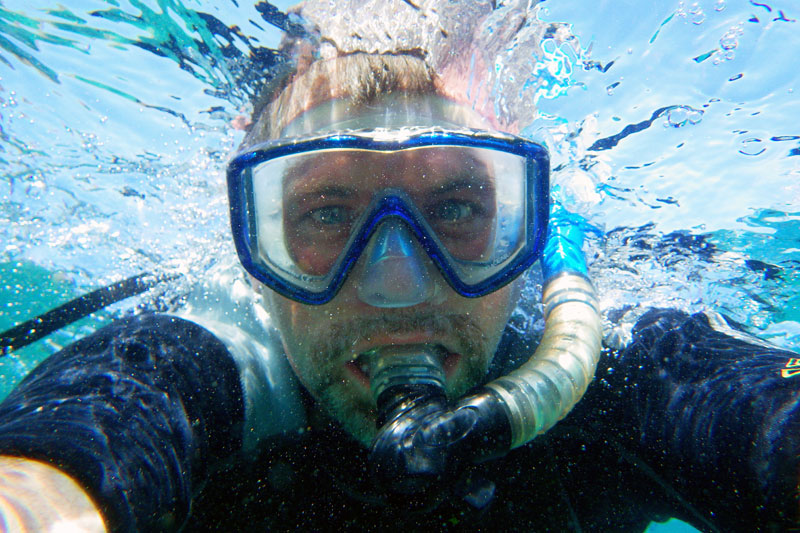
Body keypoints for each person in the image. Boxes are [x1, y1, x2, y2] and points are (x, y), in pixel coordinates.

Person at [0, 4, 799, 532]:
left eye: (456, 208)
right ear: (255, 233)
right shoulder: (212, 364)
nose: (395, 288)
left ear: (524, 222)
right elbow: (84, 437)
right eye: (323, 213)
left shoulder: (613, 370)